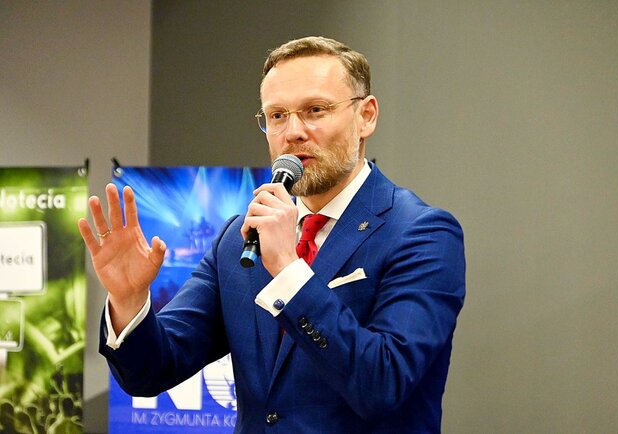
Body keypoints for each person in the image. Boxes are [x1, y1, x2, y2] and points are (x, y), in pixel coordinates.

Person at [78, 36, 466, 433]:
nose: (293, 132)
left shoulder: (422, 234)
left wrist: (288, 269)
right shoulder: (238, 240)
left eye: (315, 110)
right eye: (277, 115)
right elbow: (151, 372)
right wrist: (128, 300)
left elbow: (383, 384)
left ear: (366, 116)